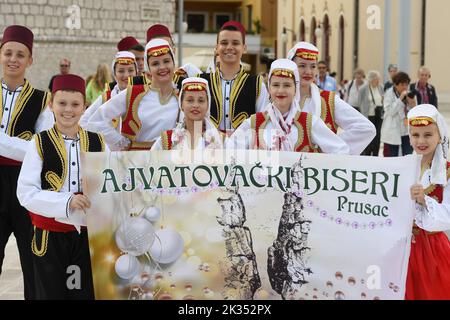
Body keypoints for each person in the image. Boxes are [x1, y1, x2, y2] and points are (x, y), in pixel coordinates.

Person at [17, 74, 106, 299]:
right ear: (50, 105)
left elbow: (111, 184)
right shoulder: (39, 142)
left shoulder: (99, 142)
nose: (68, 110)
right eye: (62, 103)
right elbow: (26, 193)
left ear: (84, 107)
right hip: (49, 236)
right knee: (50, 293)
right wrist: (66, 201)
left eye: (75, 104)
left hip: (87, 237)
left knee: (82, 292)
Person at [0, 25, 54, 300]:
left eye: (20, 54)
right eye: (8, 52)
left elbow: (44, 148)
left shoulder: (41, 99)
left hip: (25, 185)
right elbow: (33, 147)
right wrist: (25, 147)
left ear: (30, 60)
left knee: (32, 261)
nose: (13, 59)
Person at [226, 59, 349, 154]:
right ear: (269, 89)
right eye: (275, 85)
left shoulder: (310, 123)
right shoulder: (253, 123)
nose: (281, 90)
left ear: (295, 89)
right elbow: (229, 151)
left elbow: (341, 150)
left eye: (287, 85)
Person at [87, 39, 180, 151]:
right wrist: (120, 142)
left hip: (169, 164)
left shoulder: (182, 95)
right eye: (155, 63)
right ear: (148, 68)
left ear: (174, 63)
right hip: (137, 163)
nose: (162, 67)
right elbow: (96, 121)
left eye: (166, 61)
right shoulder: (134, 93)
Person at [287, 42, 375, 155]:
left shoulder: (329, 100)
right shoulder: (279, 99)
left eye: (313, 66)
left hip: (319, 169)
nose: (308, 72)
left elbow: (366, 129)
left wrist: (331, 149)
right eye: (302, 65)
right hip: (285, 168)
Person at [407, 104, 450, 300]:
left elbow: (448, 216)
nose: (421, 141)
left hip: (432, 250)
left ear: (439, 135)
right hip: (403, 247)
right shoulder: (403, 165)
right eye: (415, 135)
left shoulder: (447, 172)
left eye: (427, 135)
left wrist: (425, 201)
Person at [200, 21, 269, 136]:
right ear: (217, 48)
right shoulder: (202, 82)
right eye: (224, 43)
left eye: (235, 43)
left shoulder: (256, 84)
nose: (229, 47)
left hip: (245, 149)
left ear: (244, 48)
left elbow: (263, 122)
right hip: (208, 149)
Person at [152, 77, 223, 151]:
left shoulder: (221, 141)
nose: (195, 105)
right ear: (181, 104)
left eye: (201, 101)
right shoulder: (166, 141)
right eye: (190, 100)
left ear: (207, 105)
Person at [79, 51, 138, 129]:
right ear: (115, 74)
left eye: (130, 70)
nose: (126, 75)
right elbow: (83, 121)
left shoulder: (144, 95)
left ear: (136, 73)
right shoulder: (107, 97)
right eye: (121, 71)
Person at [129, 24, 201, 87]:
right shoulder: (134, 85)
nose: (161, 52)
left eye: (166, 47)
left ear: (174, 50)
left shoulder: (185, 84)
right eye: (155, 47)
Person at [381, 71, 416, 157]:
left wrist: (412, 104)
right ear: (396, 84)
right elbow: (390, 111)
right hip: (393, 129)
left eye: (406, 84)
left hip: (406, 129)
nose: (405, 87)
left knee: (408, 154)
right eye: (402, 84)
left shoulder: (409, 93)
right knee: (392, 156)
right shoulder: (389, 94)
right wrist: (400, 99)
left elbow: (413, 111)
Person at [358, 70, 384, 156]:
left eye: (379, 79)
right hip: (368, 115)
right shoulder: (363, 89)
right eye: (377, 79)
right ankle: (367, 155)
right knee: (369, 136)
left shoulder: (381, 87)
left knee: (377, 136)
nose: (378, 81)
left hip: (378, 115)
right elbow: (359, 102)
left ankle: (375, 155)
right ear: (371, 80)